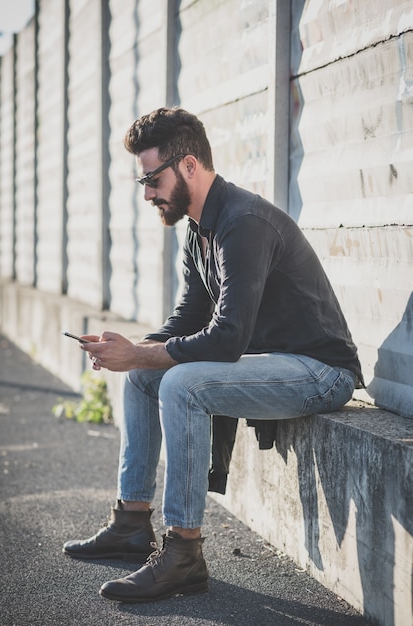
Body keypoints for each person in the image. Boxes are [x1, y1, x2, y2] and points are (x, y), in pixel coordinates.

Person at [63, 107, 363, 604]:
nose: (147, 193)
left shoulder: (242, 222)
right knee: (143, 378)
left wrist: (143, 354)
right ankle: (132, 523)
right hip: (275, 366)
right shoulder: (200, 227)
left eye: (152, 179)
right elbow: (187, 319)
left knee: (180, 382)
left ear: (187, 166)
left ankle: (184, 553)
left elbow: (226, 339)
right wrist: (130, 352)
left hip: (320, 373)